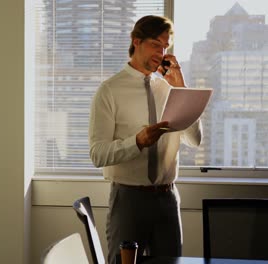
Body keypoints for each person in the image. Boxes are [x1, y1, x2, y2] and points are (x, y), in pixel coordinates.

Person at [88, 15, 202, 263]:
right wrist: (137, 141)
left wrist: (181, 88)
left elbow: (195, 140)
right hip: (129, 200)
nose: (161, 52)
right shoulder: (109, 91)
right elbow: (97, 154)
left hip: (168, 199)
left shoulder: (168, 89)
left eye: (165, 47)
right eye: (155, 44)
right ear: (136, 41)